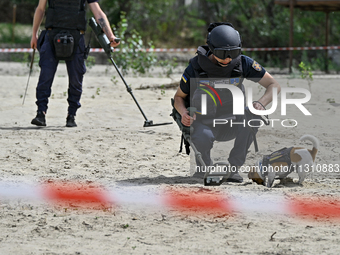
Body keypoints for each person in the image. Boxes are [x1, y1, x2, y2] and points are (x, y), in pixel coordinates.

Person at [173, 22, 281, 182]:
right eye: (222, 53)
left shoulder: (243, 63)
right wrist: (183, 113)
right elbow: (178, 97)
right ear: (211, 48)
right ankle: (204, 169)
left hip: (233, 121)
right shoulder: (195, 68)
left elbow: (274, 85)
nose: (228, 58)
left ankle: (233, 169)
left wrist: (261, 103)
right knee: (202, 136)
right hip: (205, 123)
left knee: (254, 118)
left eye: (233, 53)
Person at [30, 0, 120, 127]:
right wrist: (34, 34)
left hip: (76, 37)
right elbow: (40, 9)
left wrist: (110, 36)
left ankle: (71, 115)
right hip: (52, 35)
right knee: (46, 75)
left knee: (76, 78)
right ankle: (41, 113)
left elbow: (98, 12)